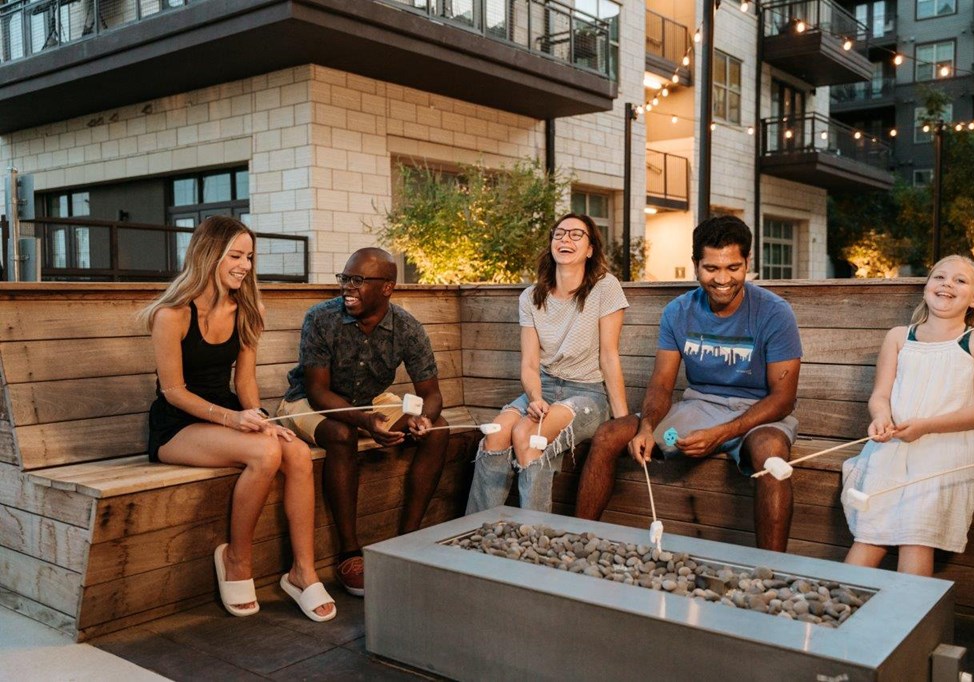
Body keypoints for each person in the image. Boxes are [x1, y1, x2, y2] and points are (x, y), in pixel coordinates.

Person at [144, 216, 335, 622]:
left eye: (249, 256)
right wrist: (235, 420)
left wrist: (262, 418)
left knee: (296, 452)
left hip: (229, 415)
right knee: (266, 455)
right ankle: (236, 558)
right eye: (235, 255)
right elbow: (174, 391)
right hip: (177, 425)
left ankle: (303, 572)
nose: (245, 265)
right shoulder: (172, 314)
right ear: (208, 254)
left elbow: (245, 382)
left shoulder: (248, 308)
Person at [575, 215, 802, 552]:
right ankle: (578, 542)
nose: (722, 279)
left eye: (733, 267)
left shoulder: (775, 313)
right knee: (609, 434)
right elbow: (662, 384)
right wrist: (648, 426)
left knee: (771, 455)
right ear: (695, 265)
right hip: (697, 410)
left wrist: (722, 433)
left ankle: (770, 571)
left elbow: (783, 399)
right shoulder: (678, 311)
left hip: (758, 417)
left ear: (747, 263)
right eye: (711, 268)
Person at [276, 247, 449, 597]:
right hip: (306, 403)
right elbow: (318, 391)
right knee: (342, 434)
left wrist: (423, 420)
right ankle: (349, 553)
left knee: (439, 429)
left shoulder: (407, 328)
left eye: (358, 280)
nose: (347, 287)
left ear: (386, 287)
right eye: (345, 278)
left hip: (369, 403)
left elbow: (431, 394)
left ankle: (408, 539)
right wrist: (367, 422)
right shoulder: (321, 319)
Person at [842, 255, 974, 576]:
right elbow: (881, 396)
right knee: (872, 529)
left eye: (960, 280)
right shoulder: (900, 337)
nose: (947, 284)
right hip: (896, 443)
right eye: (939, 277)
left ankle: (909, 621)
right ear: (926, 287)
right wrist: (880, 417)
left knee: (915, 530)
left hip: (950, 447)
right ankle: (832, 612)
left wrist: (926, 427)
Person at [466, 214, 629, 514]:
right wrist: (536, 398)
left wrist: (622, 423)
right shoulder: (531, 297)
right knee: (496, 432)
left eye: (576, 235)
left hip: (586, 395)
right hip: (543, 389)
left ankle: (535, 534)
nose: (565, 239)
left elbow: (609, 356)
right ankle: (477, 530)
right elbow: (529, 363)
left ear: (591, 248)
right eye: (559, 233)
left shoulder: (605, 288)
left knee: (529, 436)